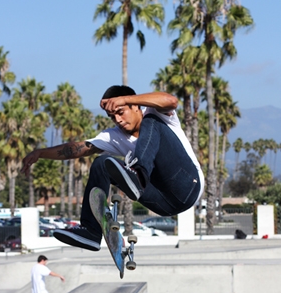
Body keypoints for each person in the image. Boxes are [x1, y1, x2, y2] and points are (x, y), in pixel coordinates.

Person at [22, 86, 203, 251]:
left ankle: (138, 171)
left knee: (151, 120)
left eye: (121, 112)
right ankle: (91, 231)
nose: (118, 120)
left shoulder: (157, 114)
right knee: (101, 163)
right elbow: (78, 149)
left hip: (187, 186)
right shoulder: (114, 137)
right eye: (112, 117)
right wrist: (41, 153)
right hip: (162, 203)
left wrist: (126, 99)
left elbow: (171, 101)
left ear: (135, 106)